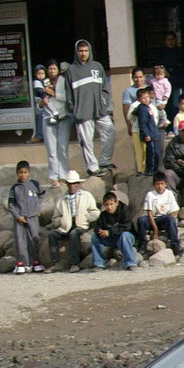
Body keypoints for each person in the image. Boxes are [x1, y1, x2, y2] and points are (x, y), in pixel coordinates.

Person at [64, 40, 116, 176]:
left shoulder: (97, 66)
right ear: (76, 52)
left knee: (110, 130)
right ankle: (92, 168)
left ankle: (104, 160)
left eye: (86, 51)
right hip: (82, 111)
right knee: (87, 141)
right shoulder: (71, 71)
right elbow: (68, 93)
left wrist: (104, 102)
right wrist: (73, 108)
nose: (83, 53)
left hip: (99, 109)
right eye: (81, 51)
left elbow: (105, 87)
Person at [50, 171, 97, 271]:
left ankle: (74, 264)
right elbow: (55, 217)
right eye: (70, 183)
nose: (72, 186)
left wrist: (86, 217)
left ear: (78, 184)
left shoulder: (86, 196)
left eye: (75, 183)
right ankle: (55, 263)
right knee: (52, 235)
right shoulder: (62, 199)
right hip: (65, 226)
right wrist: (62, 221)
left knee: (74, 234)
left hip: (81, 225)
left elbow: (95, 212)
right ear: (67, 184)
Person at [6, 160, 45, 274]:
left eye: (25, 172)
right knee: (20, 241)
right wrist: (17, 216)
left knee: (34, 239)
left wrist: (36, 207)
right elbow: (11, 204)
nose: (23, 175)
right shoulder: (15, 188)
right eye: (20, 172)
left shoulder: (35, 184)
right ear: (17, 173)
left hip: (32, 217)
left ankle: (35, 262)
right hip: (20, 219)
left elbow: (42, 194)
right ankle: (22, 263)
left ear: (29, 172)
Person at [90, 191, 138, 271]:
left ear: (116, 203)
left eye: (111, 204)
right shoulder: (103, 215)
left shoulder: (124, 210)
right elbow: (97, 226)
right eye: (107, 205)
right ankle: (99, 264)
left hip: (125, 237)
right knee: (94, 237)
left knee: (125, 235)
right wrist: (100, 231)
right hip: (111, 239)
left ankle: (130, 263)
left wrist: (110, 232)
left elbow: (126, 226)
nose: (109, 207)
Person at [138, 171, 182, 253]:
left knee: (171, 220)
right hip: (153, 219)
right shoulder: (150, 194)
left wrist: (171, 220)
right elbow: (150, 213)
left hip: (164, 219)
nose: (160, 186)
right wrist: (155, 230)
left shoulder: (169, 194)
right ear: (154, 185)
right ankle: (142, 244)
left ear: (166, 184)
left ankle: (175, 245)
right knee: (141, 220)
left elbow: (174, 210)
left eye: (162, 184)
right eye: (157, 184)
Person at [41, 60, 69, 186]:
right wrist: (45, 96)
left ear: (58, 70)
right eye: (50, 69)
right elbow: (39, 104)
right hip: (48, 118)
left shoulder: (63, 81)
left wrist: (55, 94)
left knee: (62, 148)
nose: (52, 71)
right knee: (52, 150)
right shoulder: (44, 83)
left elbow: (67, 97)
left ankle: (63, 176)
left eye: (54, 69)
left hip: (63, 117)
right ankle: (54, 177)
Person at [155, 32, 184, 118]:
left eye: (172, 39)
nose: (171, 42)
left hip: (177, 82)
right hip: (163, 83)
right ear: (165, 41)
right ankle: (167, 129)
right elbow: (158, 65)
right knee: (166, 105)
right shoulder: (161, 52)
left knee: (175, 105)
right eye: (169, 40)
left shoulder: (180, 51)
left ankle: (175, 127)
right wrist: (164, 70)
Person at [133, 85, 162, 175]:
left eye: (147, 97)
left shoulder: (148, 107)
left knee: (157, 153)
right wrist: (146, 135)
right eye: (143, 98)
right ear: (139, 99)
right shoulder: (142, 109)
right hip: (150, 135)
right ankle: (151, 170)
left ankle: (155, 169)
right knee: (152, 153)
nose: (146, 99)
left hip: (154, 134)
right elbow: (143, 124)